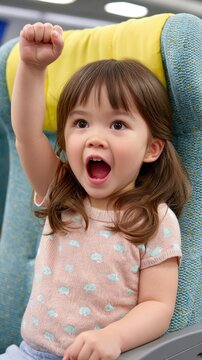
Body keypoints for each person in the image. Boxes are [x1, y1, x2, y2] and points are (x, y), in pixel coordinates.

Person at [3, 22, 191, 360]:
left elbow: (157, 305)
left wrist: (114, 338)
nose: (94, 137)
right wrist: (32, 67)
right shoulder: (59, 188)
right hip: (30, 353)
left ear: (152, 149)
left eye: (117, 125)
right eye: (81, 123)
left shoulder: (156, 220)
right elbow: (27, 133)